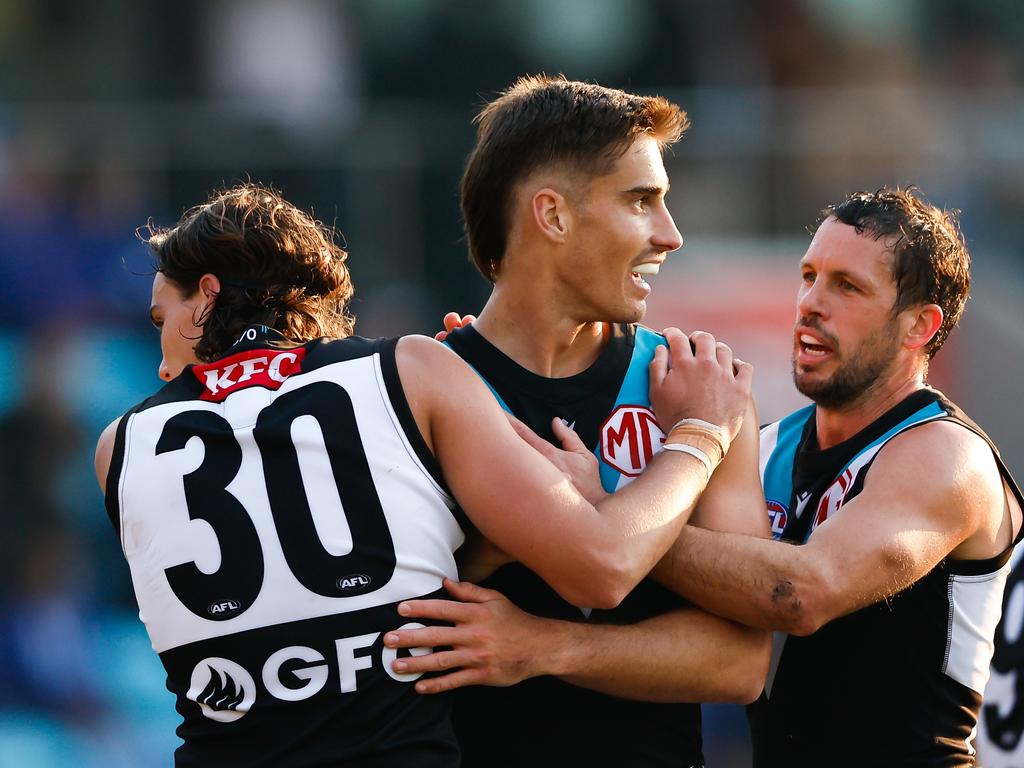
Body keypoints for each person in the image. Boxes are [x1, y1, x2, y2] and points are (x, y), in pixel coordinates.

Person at [93, 183, 751, 767]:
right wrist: (701, 433)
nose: (159, 360)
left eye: (162, 322)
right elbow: (605, 565)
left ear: (207, 295)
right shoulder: (408, 371)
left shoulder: (119, 444)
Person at [383, 75, 770, 767]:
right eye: (640, 201)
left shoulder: (700, 391)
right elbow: (388, 625)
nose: (670, 235)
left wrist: (540, 646)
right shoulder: (419, 393)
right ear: (553, 216)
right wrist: (496, 541)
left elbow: (737, 665)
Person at [647, 187, 1023, 766]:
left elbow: (800, 594)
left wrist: (614, 519)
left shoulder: (945, 453)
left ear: (919, 326)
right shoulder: (769, 444)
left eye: (846, 286)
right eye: (808, 276)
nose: (810, 304)